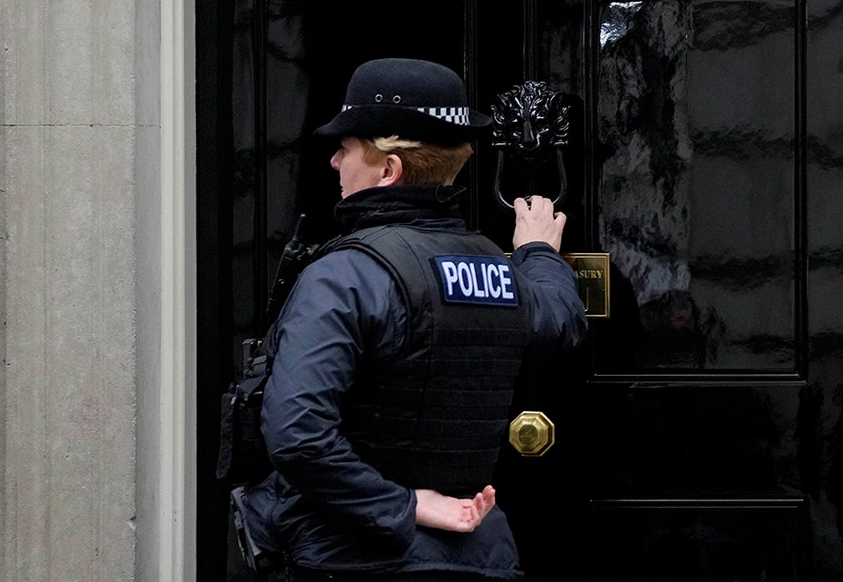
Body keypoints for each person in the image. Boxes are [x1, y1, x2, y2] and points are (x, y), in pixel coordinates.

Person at [239, 57, 588, 581]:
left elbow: (297, 435)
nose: (334, 162)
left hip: (347, 558)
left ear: (389, 169)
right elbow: (561, 318)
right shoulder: (496, 269)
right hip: (475, 560)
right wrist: (537, 249)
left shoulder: (348, 274)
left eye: (347, 148)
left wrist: (404, 505)